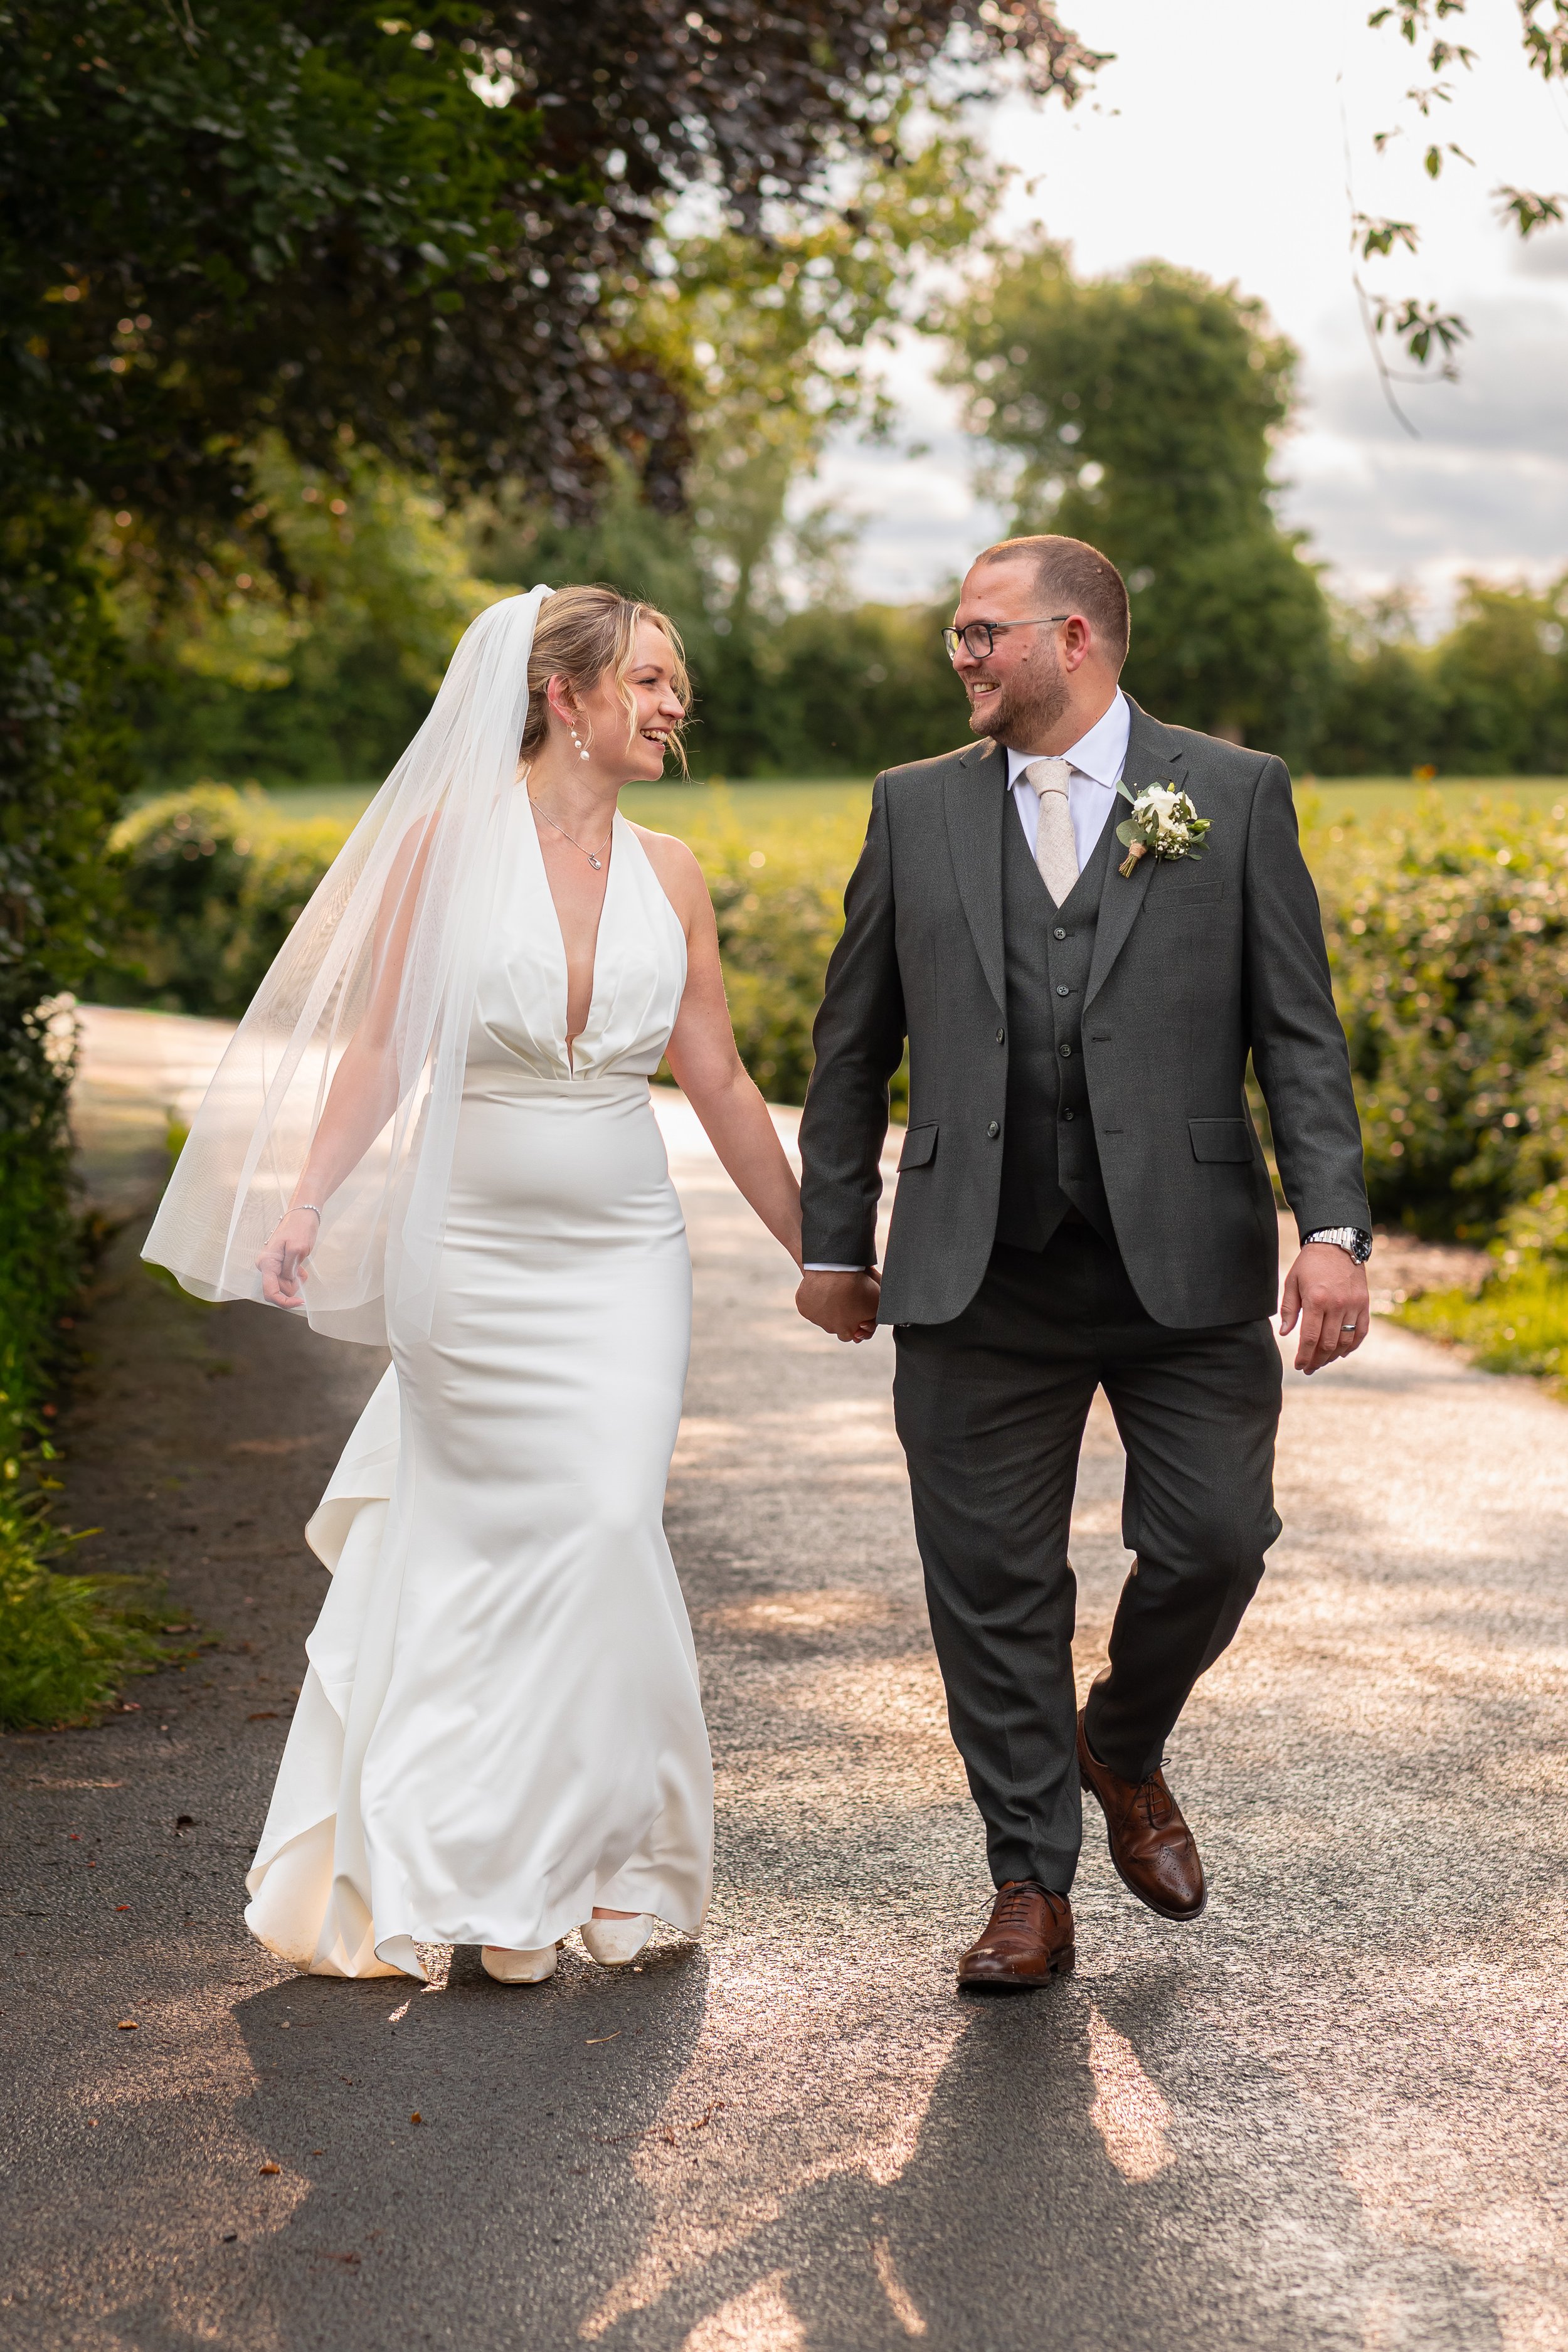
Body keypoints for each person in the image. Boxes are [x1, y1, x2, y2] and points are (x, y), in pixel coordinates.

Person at [145, 585, 802, 1983]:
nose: (673, 704)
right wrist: (309, 1199)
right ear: (561, 695)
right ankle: (492, 1882)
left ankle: (616, 1858)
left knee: (608, 1523)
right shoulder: (450, 846)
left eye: (676, 682)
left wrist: (818, 1246)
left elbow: (722, 1078)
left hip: (625, 1256)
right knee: (479, 1563)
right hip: (475, 1258)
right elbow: (383, 1051)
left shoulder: (671, 873)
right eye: (648, 678)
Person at [795, 534, 1371, 1991]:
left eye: (982, 633)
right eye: (955, 636)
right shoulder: (911, 808)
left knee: (1214, 1542)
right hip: (973, 1266)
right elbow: (850, 1048)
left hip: (1181, 1266)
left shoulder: (1229, 794)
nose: (961, 657)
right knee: (987, 1581)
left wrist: (1331, 1230)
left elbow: (1295, 1035)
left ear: (1076, 640)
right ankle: (1025, 1884)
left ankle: (1116, 1742)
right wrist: (831, 1240)